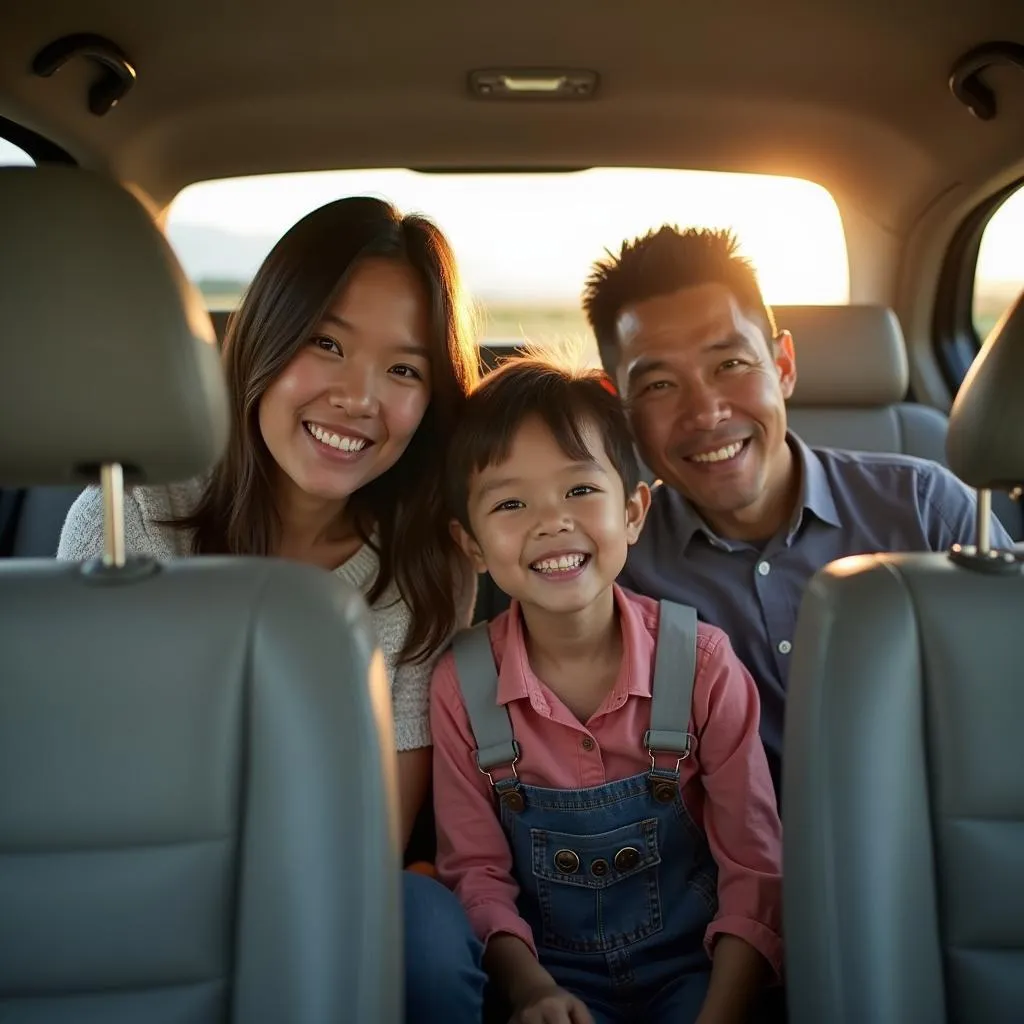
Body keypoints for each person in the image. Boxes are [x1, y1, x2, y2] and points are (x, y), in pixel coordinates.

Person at [57, 195, 487, 1022]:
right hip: (129, 879)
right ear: (264, 338)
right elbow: (78, 788)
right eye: (325, 343)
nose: (358, 398)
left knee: (425, 932)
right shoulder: (130, 520)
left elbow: (376, 833)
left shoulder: (423, 569)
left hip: (318, 883)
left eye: (404, 370)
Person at [582, 225, 1015, 794]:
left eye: (731, 365)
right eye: (660, 384)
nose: (706, 412)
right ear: (622, 408)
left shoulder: (926, 510)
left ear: (783, 365)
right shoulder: (615, 565)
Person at [431, 357, 782, 1024]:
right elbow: (475, 875)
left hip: (699, 975)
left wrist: (721, 1013)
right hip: (547, 982)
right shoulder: (462, 687)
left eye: (579, 492)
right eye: (510, 503)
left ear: (632, 512)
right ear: (470, 544)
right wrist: (531, 990)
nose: (551, 522)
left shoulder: (703, 665)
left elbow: (755, 869)